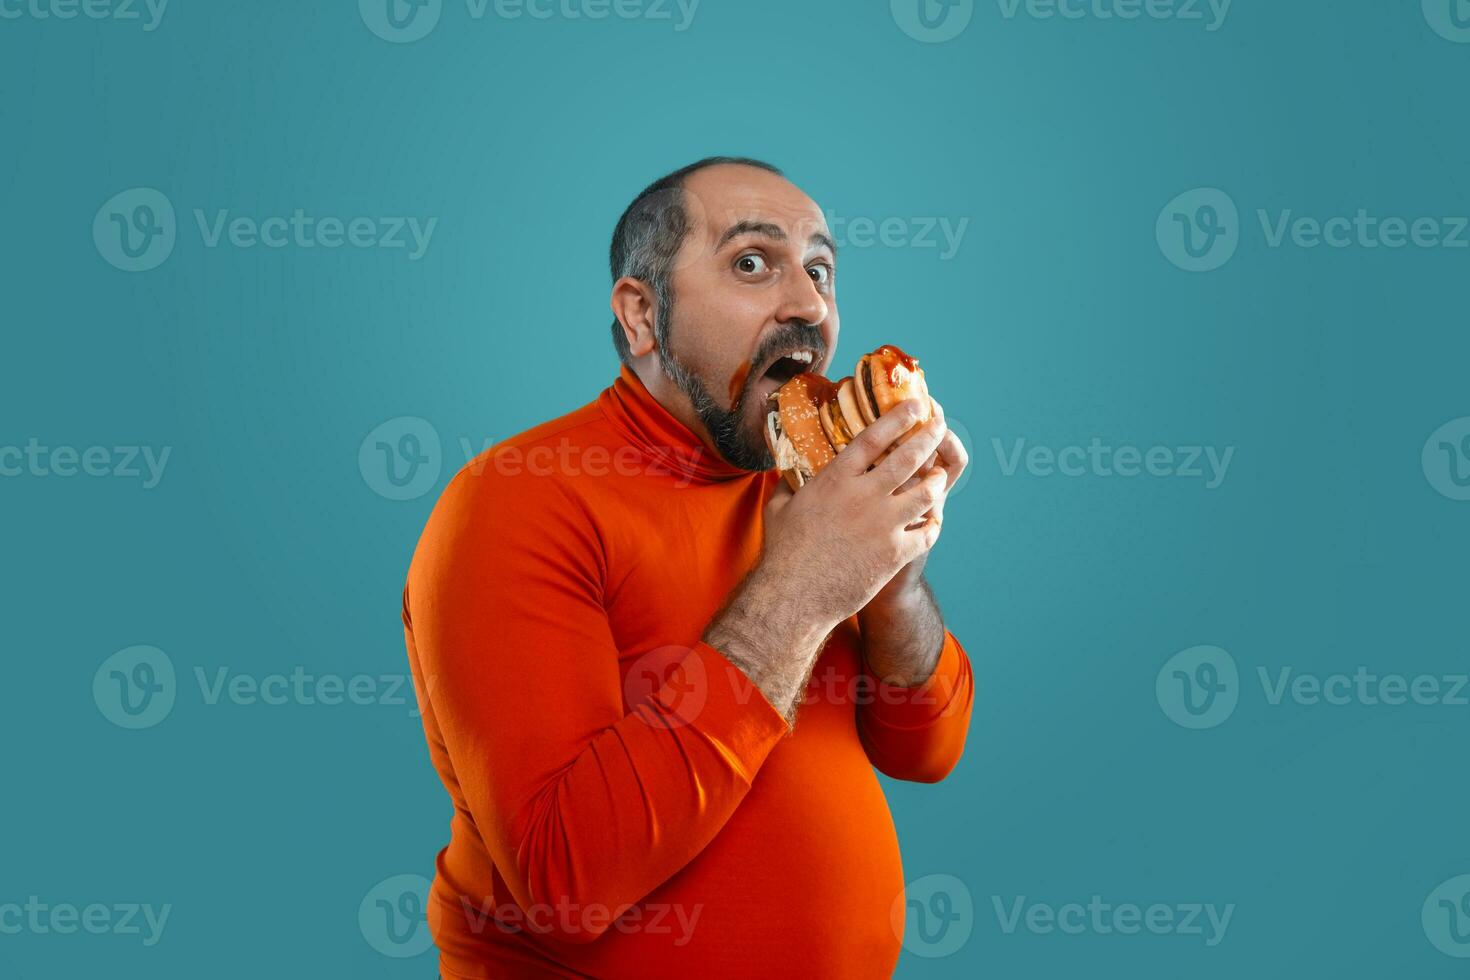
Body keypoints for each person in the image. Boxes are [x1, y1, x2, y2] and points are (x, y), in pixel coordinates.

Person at [403, 156, 974, 979]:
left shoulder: (811, 486)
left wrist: (894, 572)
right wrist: (802, 589)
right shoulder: (516, 501)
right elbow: (567, 883)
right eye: (752, 262)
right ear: (642, 315)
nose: (810, 305)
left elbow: (927, 749)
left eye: (820, 270)